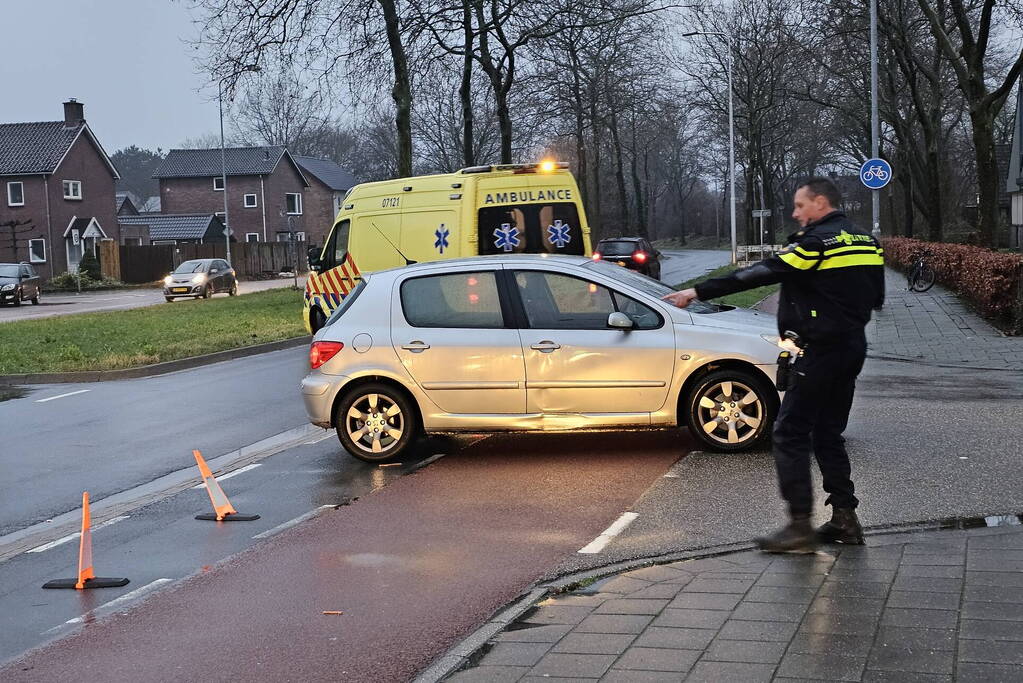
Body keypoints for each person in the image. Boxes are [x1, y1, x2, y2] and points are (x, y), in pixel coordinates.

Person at [663, 177, 885, 553]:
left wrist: (696, 291)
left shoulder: (815, 243)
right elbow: (876, 297)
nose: (796, 214)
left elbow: (761, 273)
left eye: (800, 206)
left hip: (819, 350)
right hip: (852, 347)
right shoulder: (867, 241)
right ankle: (846, 518)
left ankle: (799, 526)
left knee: (789, 432)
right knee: (828, 433)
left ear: (819, 202)